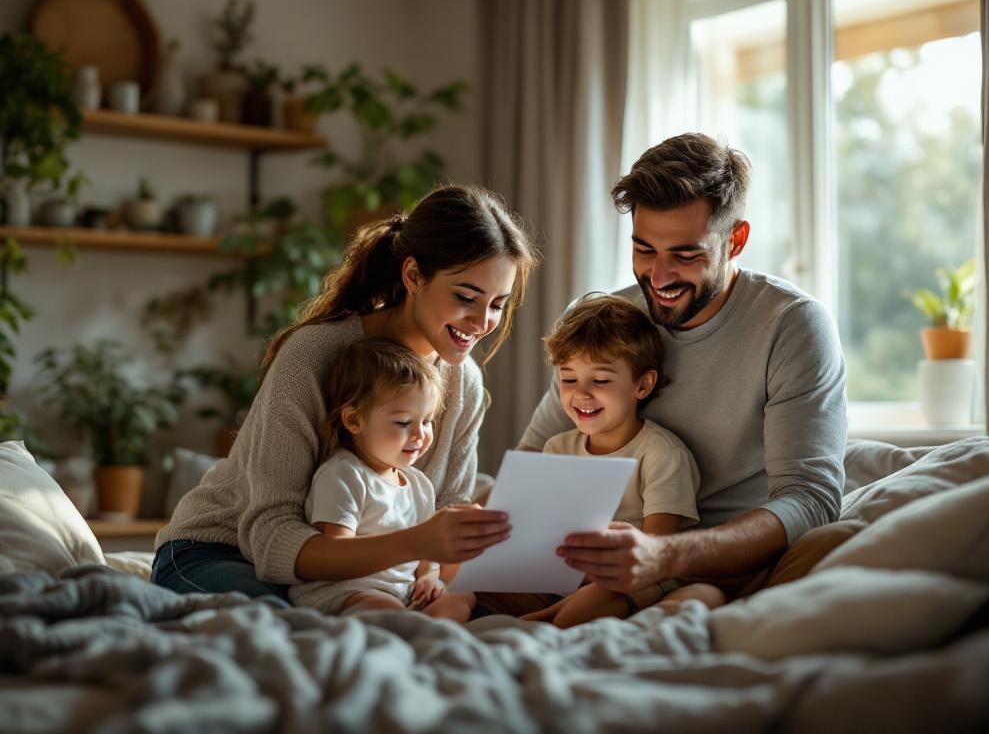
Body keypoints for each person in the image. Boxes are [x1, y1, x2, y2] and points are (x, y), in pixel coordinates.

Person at [152, 185, 539, 602]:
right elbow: (270, 539)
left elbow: (443, 527)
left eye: (498, 304)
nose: (482, 322)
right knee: (284, 628)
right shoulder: (315, 354)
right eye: (466, 297)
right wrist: (417, 543)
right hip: (220, 551)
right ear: (413, 276)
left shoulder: (464, 384)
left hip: (363, 580)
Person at [518, 133, 847, 606]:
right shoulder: (604, 321)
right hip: (600, 561)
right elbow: (534, 462)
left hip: (726, 561)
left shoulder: (792, 325)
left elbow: (810, 500)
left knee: (827, 547)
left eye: (686, 255)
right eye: (644, 250)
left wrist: (665, 555)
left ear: (735, 240)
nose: (659, 276)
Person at [518, 294, 724, 627]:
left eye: (600, 380)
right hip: (565, 577)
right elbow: (543, 533)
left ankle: (546, 626)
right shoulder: (558, 448)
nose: (581, 394)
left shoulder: (661, 454)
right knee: (464, 571)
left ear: (643, 384)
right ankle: (546, 617)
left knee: (700, 595)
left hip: (638, 580)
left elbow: (657, 549)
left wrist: (595, 577)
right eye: (568, 379)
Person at [290, 338, 476, 621]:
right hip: (349, 590)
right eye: (403, 423)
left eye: (427, 421)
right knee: (383, 609)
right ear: (354, 420)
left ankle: (431, 634)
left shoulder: (419, 485)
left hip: (401, 593)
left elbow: (430, 550)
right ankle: (411, 632)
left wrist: (430, 577)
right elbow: (336, 555)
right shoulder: (343, 474)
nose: (420, 435)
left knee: (463, 595)